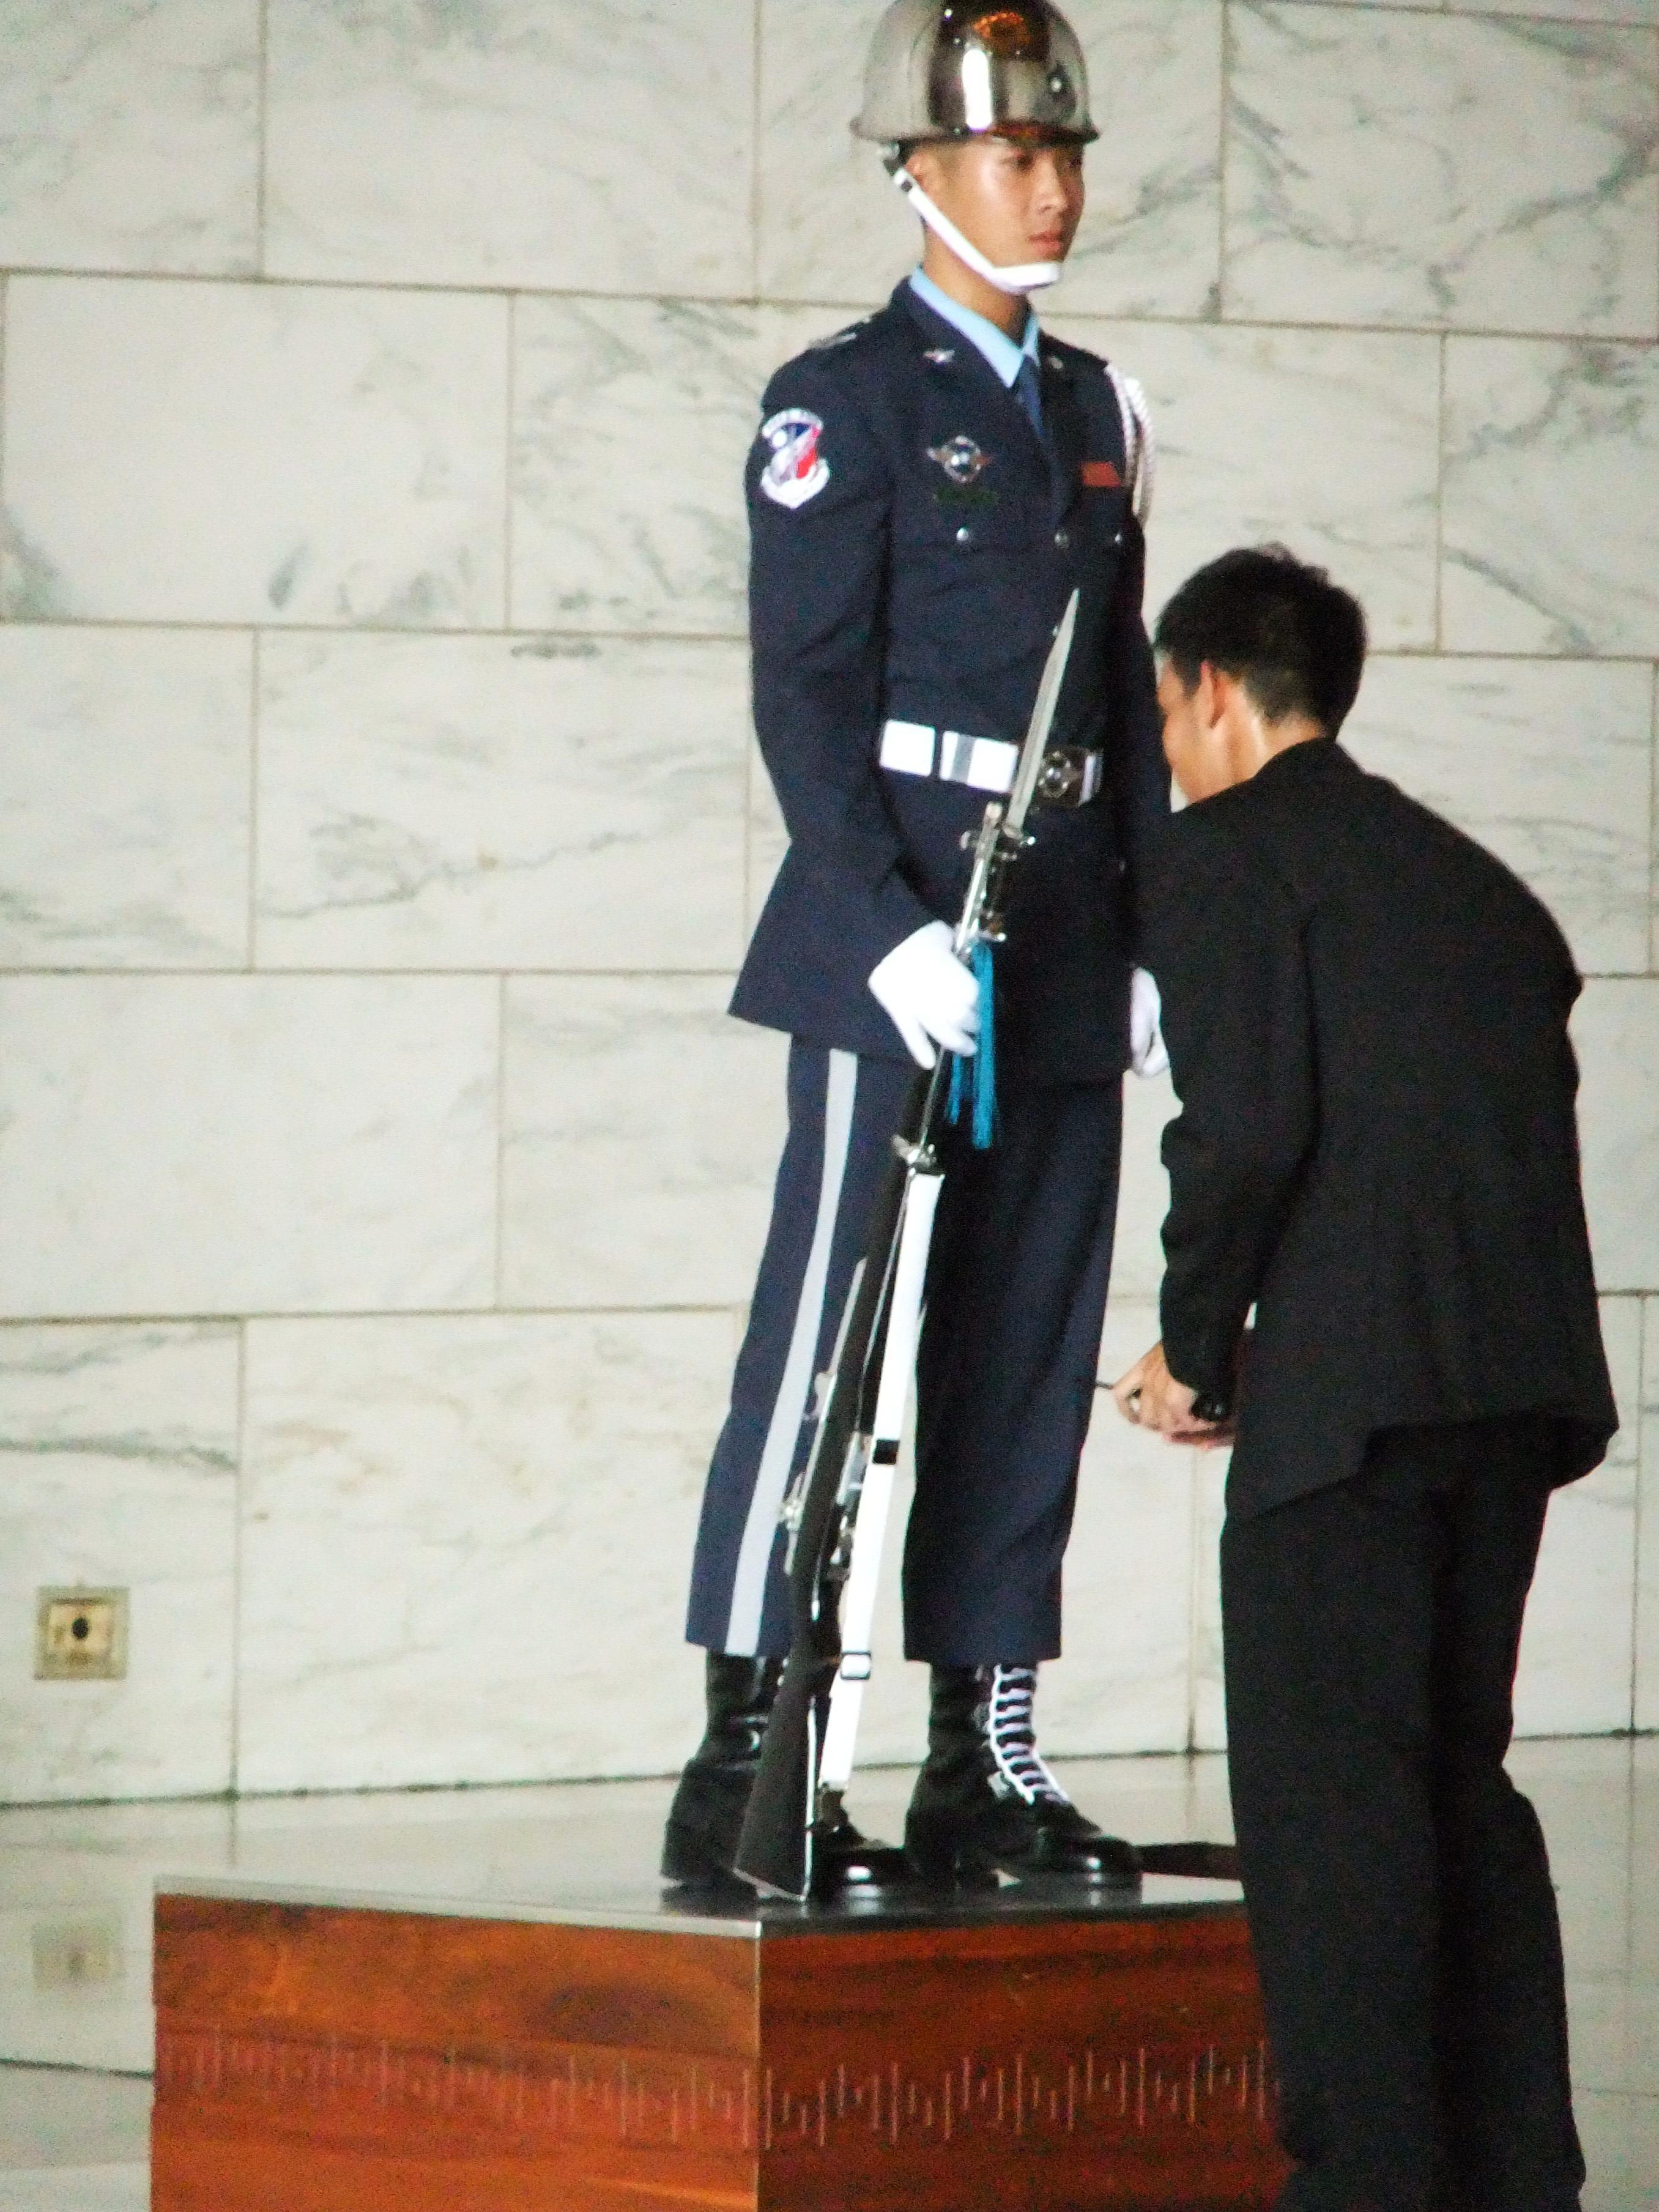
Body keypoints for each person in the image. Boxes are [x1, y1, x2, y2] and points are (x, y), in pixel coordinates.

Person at [662, 0, 1172, 1896]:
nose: (1051, 191)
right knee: (829, 1344)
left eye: (1065, 155)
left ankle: (985, 1752)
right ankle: (748, 1757)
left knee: (1026, 1349)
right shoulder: (845, 401)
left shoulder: (1102, 411)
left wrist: (1148, 937)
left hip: (1057, 937)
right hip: (895, 931)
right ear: (920, 174)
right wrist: (882, 931)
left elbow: (1116, 699)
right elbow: (803, 700)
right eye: (1013, 156)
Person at [1114, 544, 1619, 2212]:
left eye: (1164, 710)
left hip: (1346, 1419)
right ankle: (1516, 2177)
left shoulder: (1223, 858)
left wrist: (1199, 1353)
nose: (1166, 746)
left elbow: (1244, 1131)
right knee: (1458, 1787)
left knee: (1334, 1825)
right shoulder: (1473, 885)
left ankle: (1369, 2185)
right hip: (1511, 1394)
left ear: (1210, 691)